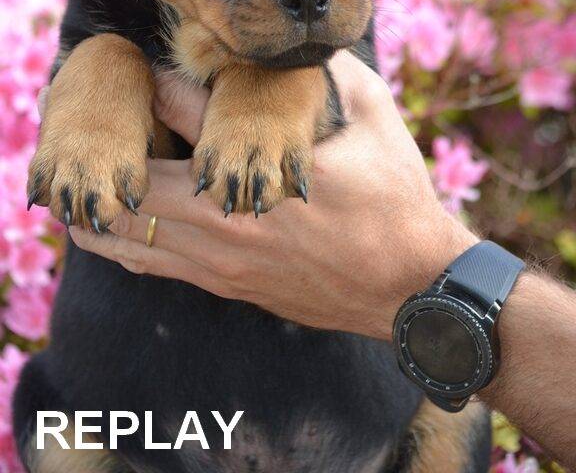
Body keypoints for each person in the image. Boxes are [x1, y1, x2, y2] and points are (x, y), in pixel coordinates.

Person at [63, 52, 576, 469]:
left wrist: (420, 278)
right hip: (151, 432)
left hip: (368, 434)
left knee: (451, 414)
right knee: (55, 420)